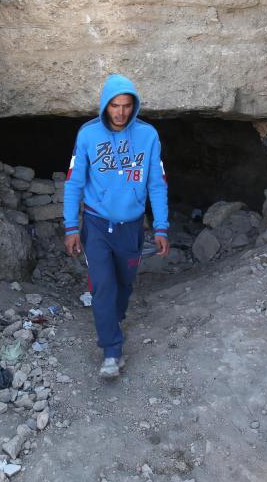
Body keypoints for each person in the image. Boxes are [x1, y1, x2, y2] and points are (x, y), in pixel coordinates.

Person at [63, 74, 169, 379]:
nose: (120, 112)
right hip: (96, 224)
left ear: (133, 106)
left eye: (126, 106)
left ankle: (113, 318)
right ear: (104, 106)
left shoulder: (148, 136)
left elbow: (157, 184)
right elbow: (74, 184)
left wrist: (161, 228)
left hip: (131, 227)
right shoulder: (88, 135)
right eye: (114, 106)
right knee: (104, 287)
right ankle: (111, 351)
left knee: (123, 285)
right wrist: (71, 227)